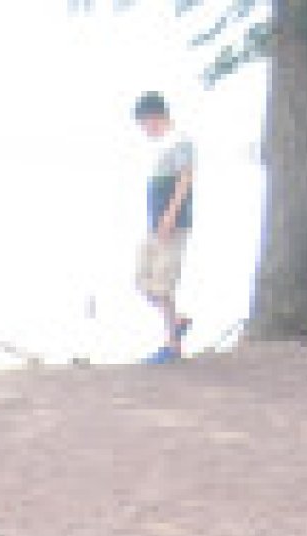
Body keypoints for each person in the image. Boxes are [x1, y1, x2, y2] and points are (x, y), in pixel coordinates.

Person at [133, 91, 194, 363]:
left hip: (172, 224)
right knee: (142, 279)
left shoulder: (180, 141)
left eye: (144, 124)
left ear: (154, 117)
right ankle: (176, 321)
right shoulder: (162, 145)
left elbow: (185, 180)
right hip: (154, 225)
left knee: (162, 285)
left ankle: (172, 345)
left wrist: (170, 215)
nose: (144, 130)